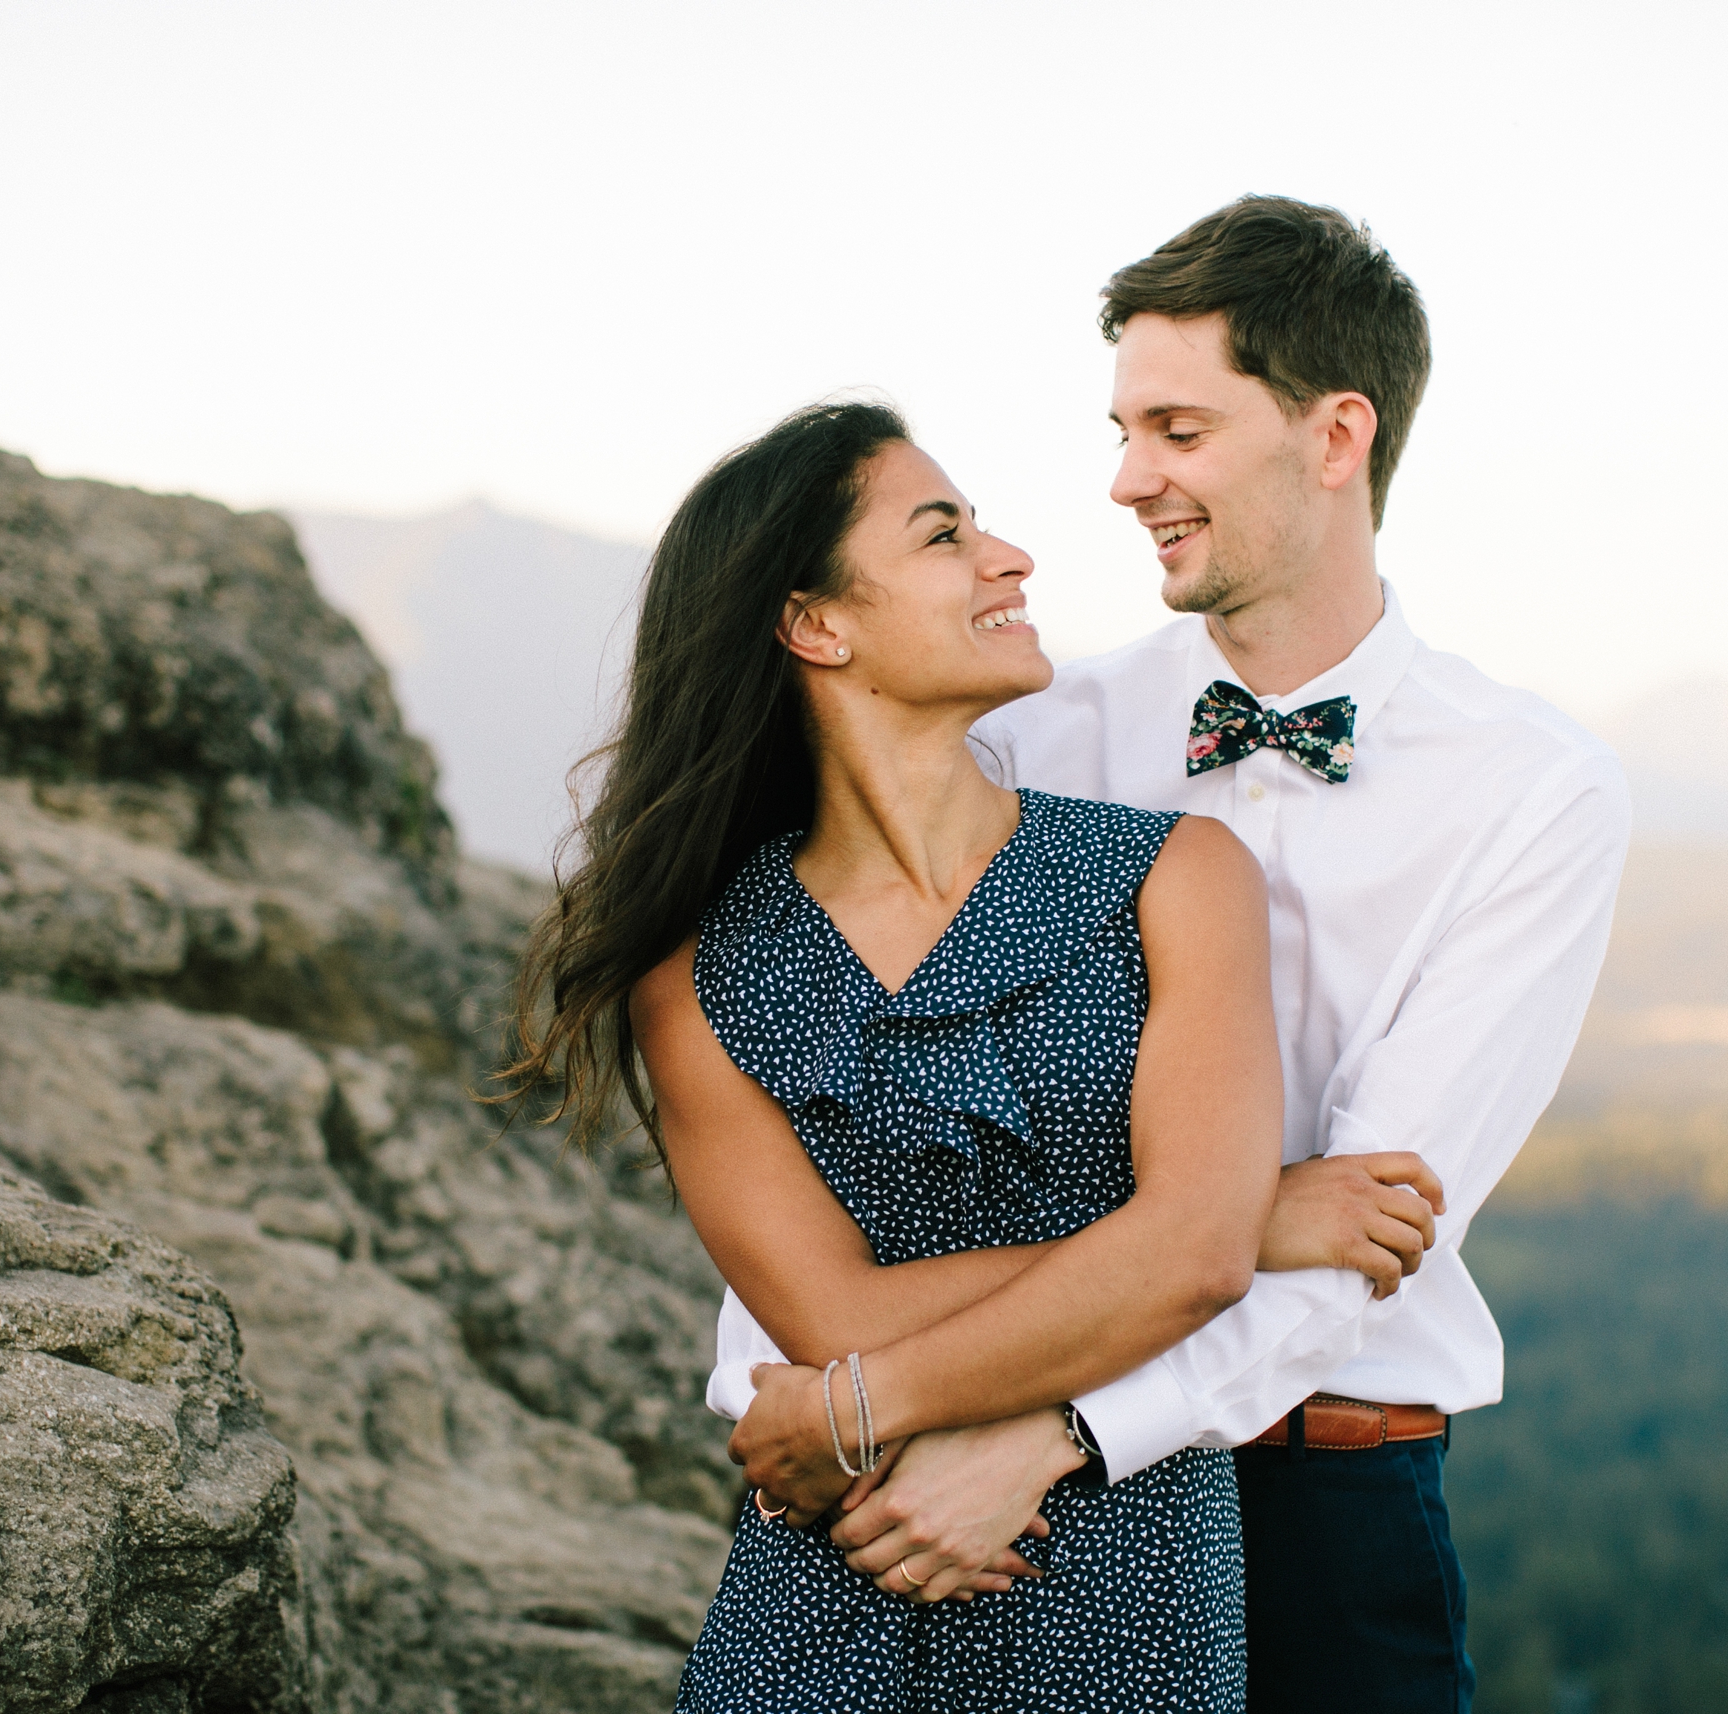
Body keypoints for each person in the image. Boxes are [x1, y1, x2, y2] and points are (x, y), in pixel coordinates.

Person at [715, 197, 1632, 1712]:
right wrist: (829, 1404)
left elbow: (1376, 1220)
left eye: (1179, 430)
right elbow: (859, 1093)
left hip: (1318, 1499)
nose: (1128, 478)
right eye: (1125, 428)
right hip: (959, 1469)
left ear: (1335, 437)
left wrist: (1056, 1435)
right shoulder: (1035, 730)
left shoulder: (1535, 789)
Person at [502, 396, 1341, 1711]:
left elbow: (1192, 1259)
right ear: (815, 622)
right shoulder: (700, 974)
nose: (1010, 556)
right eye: (945, 533)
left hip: (1114, 1559)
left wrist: (854, 1402)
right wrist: (1242, 1216)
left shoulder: (1177, 878)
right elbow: (829, 1316)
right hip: (839, 1571)